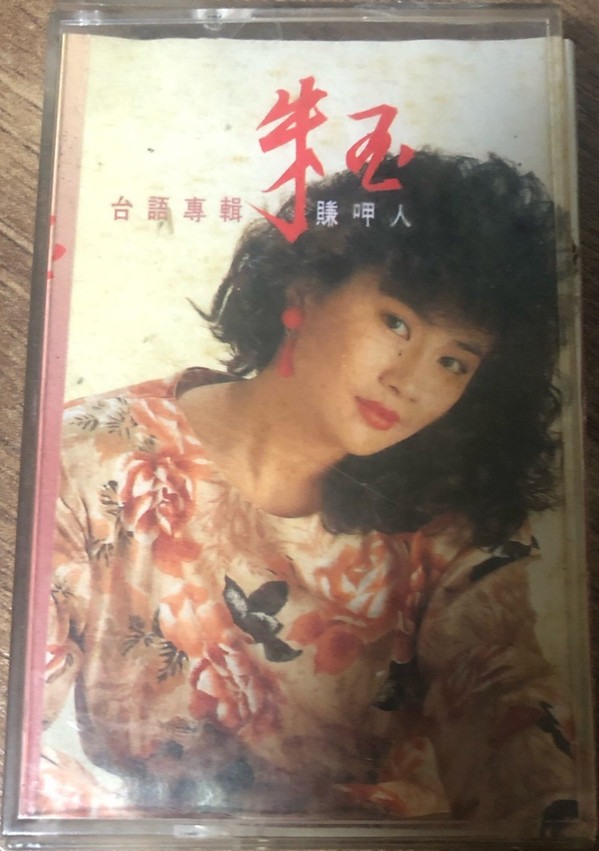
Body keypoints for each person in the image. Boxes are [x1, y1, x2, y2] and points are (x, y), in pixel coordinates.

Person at [39, 150, 578, 834]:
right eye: (397, 323)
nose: (410, 379)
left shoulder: (449, 519)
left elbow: (506, 703)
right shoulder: (93, 457)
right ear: (305, 287)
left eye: (453, 361)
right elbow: (19, 725)